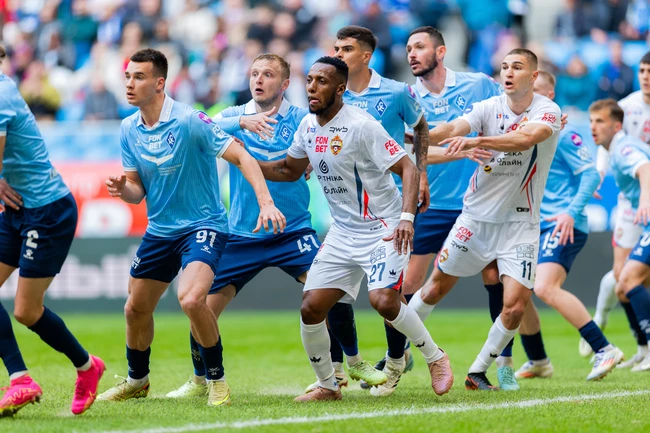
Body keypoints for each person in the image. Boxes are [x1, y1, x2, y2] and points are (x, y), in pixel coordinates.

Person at [258, 56, 453, 402]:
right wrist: (244, 160)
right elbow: (289, 169)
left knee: (384, 300)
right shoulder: (307, 126)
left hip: (384, 226)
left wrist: (406, 219)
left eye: (321, 82)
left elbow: (408, 169)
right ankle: (328, 386)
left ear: (340, 89)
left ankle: (435, 357)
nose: (312, 87)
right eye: (310, 80)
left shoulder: (362, 125)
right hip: (343, 232)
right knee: (311, 307)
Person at [97, 48, 285, 406]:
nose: (129, 84)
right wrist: (124, 189)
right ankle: (137, 381)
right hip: (160, 230)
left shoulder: (189, 120)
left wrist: (265, 202)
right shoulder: (128, 128)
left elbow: (242, 156)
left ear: (159, 83)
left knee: (192, 298)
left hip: (204, 224)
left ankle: (216, 380)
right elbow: (137, 191)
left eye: (139, 77)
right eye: (127, 77)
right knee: (134, 309)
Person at [164, 53, 322, 403]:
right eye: (254, 73)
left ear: (285, 84)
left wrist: (312, 161)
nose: (258, 80)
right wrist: (241, 122)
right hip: (240, 234)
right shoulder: (233, 116)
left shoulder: (302, 119)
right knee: (200, 305)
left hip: (292, 230)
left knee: (326, 291)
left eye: (268, 74)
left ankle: (338, 372)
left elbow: (322, 147)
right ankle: (199, 379)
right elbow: (202, 127)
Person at [366, 26, 512, 395]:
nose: (412, 54)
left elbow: (510, 112)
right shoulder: (406, 97)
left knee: (494, 278)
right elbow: (409, 152)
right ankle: (398, 355)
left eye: (419, 47)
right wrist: (461, 151)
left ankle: (504, 366)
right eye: (408, 49)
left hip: (480, 202)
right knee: (406, 285)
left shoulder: (478, 84)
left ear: (441, 51)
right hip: (429, 206)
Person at [408, 48, 562, 390]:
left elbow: (526, 138)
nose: (508, 72)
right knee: (433, 288)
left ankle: (481, 370)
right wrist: (418, 136)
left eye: (517, 67)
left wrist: (476, 140)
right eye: (504, 66)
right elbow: (452, 127)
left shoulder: (547, 111)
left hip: (521, 225)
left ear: (533, 76)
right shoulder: (488, 107)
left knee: (515, 305)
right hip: (475, 220)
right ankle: (398, 352)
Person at [303, 25, 432, 393]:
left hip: (390, 206)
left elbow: (421, 129)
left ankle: (395, 361)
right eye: (336, 48)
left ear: (365, 56)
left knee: (387, 296)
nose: (338, 54)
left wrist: (421, 173)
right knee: (334, 295)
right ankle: (346, 366)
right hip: (346, 210)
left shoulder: (395, 92)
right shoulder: (326, 94)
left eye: (346, 49)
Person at [0, 45, 105, 417]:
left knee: (26, 311)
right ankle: (20, 379)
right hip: (17, 207)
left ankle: (87, 367)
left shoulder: (1, 93)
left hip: (47, 210)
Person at [511, 72, 624, 381]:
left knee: (545, 287)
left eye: (537, 90)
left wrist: (571, 212)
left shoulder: (562, 133)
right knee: (516, 291)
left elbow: (590, 174)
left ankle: (604, 348)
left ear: (550, 95)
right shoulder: (521, 131)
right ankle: (537, 360)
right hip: (531, 223)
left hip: (562, 222)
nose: (529, 95)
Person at [588, 52, 650, 367]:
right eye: (642, 71)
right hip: (635, 203)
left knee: (630, 279)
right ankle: (643, 347)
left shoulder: (626, 148)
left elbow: (643, 167)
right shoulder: (626, 107)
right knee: (624, 280)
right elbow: (608, 147)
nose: (646, 76)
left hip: (645, 201)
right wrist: (599, 174)